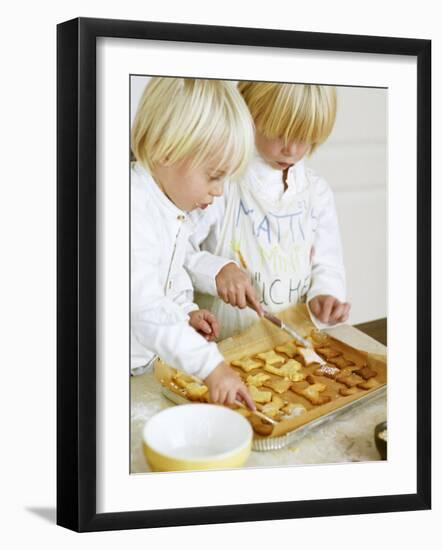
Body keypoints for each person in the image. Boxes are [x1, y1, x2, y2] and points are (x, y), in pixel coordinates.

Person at [186, 81, 351, 340]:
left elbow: (328, 266)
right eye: (280, 134)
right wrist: (216, 270)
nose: (292, 149)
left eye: (304, 137)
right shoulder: (221, 184)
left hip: (292, 347)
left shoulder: (316, 193)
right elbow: (176, 253)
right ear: (249, 114)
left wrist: (326, 295)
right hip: (222, 346)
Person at [131, 77, 256, 408]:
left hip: (150, 364)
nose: (219, 191)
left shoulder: (168, 202)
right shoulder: (130, 208)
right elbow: (143, 308)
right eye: (214, 176)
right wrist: (211, 367)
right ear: (166, 150)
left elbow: (169, 270)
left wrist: (184, 312)